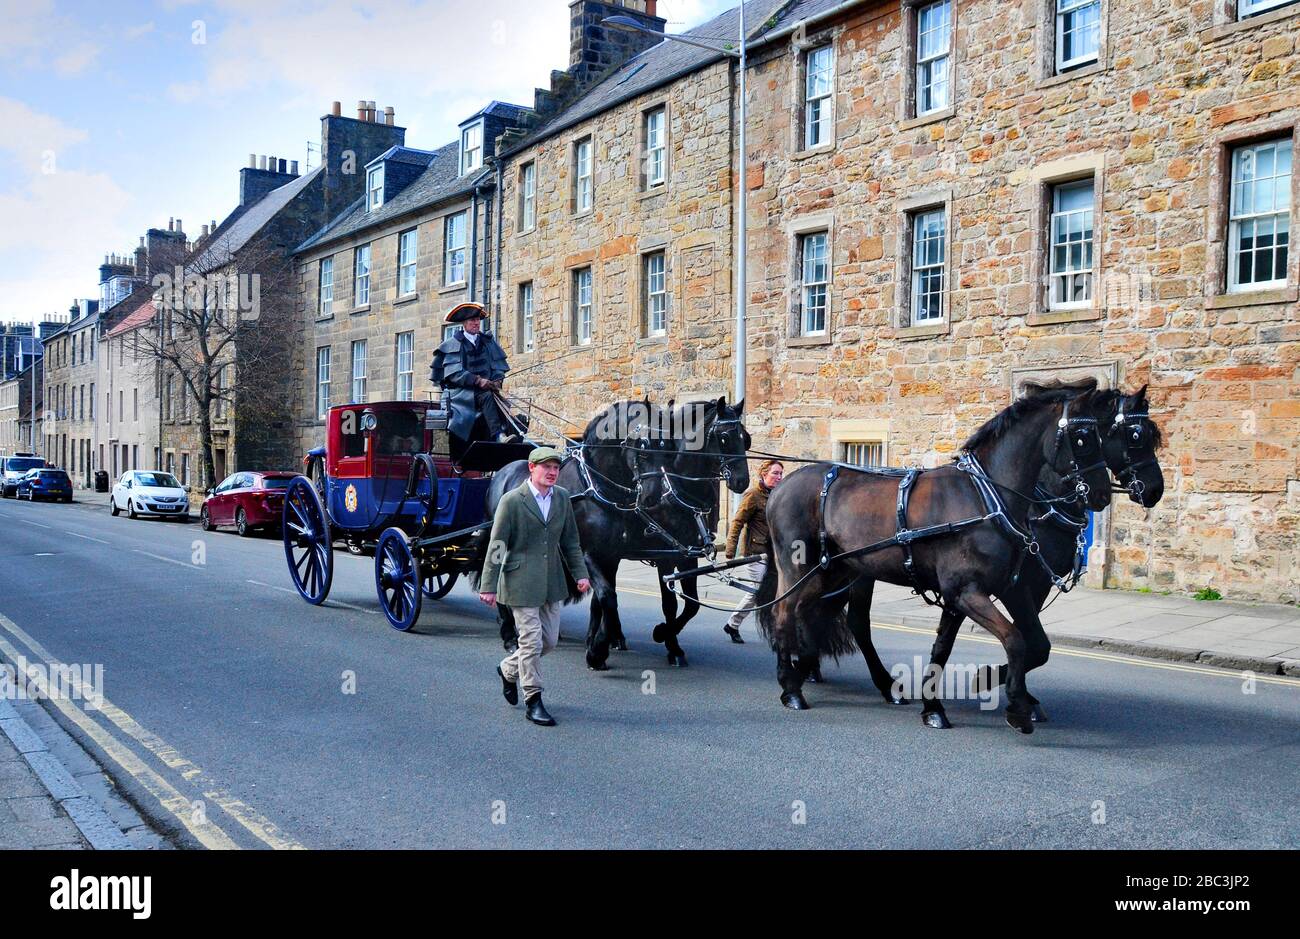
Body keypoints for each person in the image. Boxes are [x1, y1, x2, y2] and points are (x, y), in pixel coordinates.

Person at [480, 446, 591, 726]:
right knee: (530, 640)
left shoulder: (563, 499)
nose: (552, 472)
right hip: (519, 581)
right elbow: (497, 546)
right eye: (547, 467)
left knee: (549, 641)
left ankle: (508, 669)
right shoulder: (512, 501)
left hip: (551, 582)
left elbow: (571, 542)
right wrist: (488, 585)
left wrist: (580, 574)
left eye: (556, 468)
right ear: (532, 468)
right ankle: (534, 699)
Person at [430, 301, 516, 444]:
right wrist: (478, 380)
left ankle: (512, 432)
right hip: (461, 393)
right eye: (472, 320)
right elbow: (454, 373)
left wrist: (497, 380)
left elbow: (497, 367)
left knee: (500, 400)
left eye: (477, 320)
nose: (476, 323)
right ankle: (499, 435)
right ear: (464, 323)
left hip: (485, 391)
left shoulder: (487, 342)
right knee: (488, 396)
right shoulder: (454, 344)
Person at [722, 459, 783, 643]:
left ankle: (732, 624)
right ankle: (774, 631)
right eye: (775, 473)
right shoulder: (753, 495)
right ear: (764, 474)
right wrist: (730, 552)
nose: (779, 477)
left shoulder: (779, 495)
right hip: (754, 554)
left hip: (773, 554)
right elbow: (738, 522)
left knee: (773, 592)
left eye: (781, 473)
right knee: (759, 592)